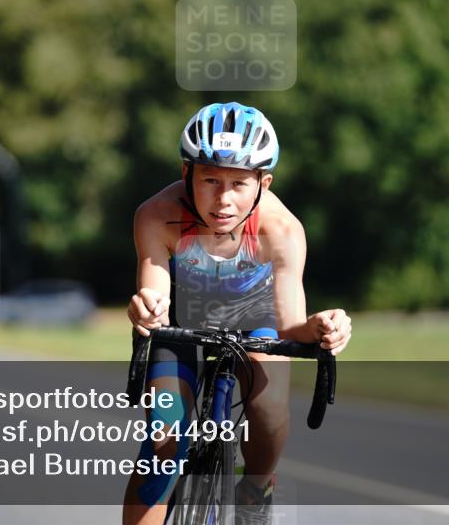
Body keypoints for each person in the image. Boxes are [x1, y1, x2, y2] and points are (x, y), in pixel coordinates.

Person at [123, 102, 353, 525]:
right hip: (183, 321)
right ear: (186, 173)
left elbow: (289, 326)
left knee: (267, 410)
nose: (223, 199)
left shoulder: (282, 231)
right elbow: (154, 299)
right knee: (164, 440)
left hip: (255, 318)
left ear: (263, 183)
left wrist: (324, 328)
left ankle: (256, 490)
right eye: (210, 179)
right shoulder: (156, 215)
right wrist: (147, 310)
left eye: (239, 183)